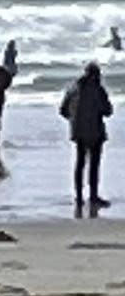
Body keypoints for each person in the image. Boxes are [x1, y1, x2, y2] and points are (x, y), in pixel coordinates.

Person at [61, 60, 112, 212]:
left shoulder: (72, 88)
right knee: (94, 166)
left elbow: (63, 110)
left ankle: (78, 197)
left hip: (78, 131)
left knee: (80, 164)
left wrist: (74, 119)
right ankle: (93, 196)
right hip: (95, 131)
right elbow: (108, 110)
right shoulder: (98, 90)